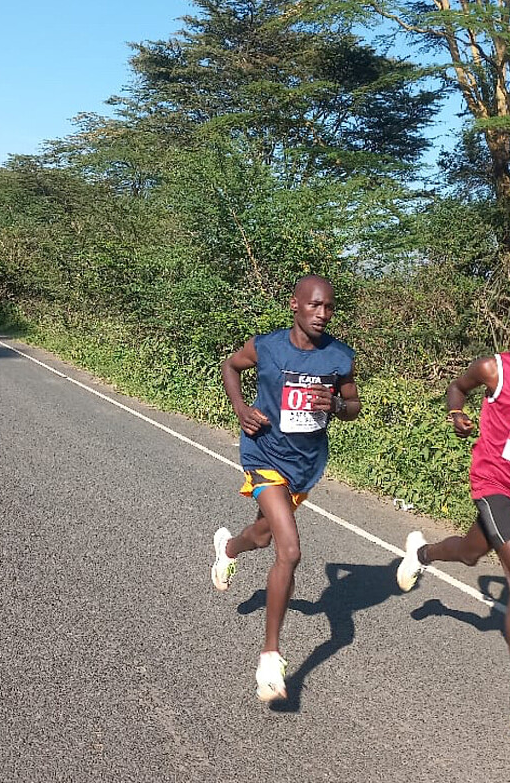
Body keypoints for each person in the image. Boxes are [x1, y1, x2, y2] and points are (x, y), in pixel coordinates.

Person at [397, 298, 510, 744]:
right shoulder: (494, 369)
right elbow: (456, 388)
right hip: (492, 482)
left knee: (470, 553)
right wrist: (456, 413)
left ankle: (421, 554)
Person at [212, 275, 360, 702]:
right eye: (314, 305)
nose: (322, 314)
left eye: (329, 307)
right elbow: (230, 366)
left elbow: (353, 406)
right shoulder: (267, 347)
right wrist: (241, 408)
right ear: (295, 304)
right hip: (263, 455)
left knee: (262, 536)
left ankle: (228, 549)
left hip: (304, 465)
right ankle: (270, 657)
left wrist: (337, 404)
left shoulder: (339, 357)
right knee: (289, 550)